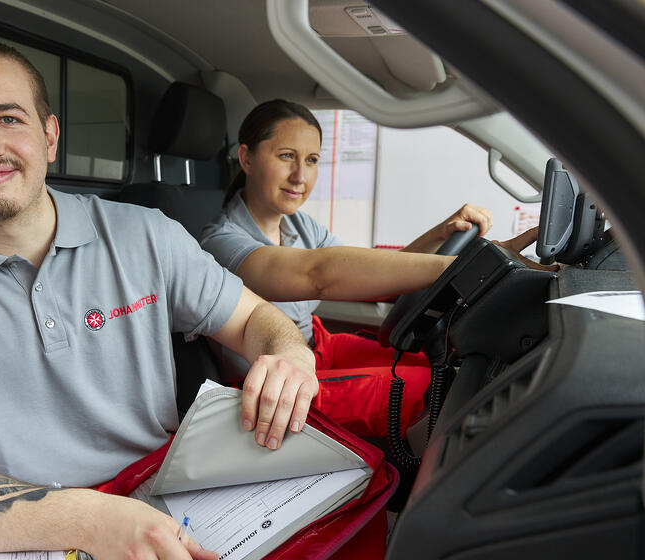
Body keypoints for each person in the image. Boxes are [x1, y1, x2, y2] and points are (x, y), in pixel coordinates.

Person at [0, 40, 320, 560]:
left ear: (50, 135)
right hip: (36, 532)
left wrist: (289, 352)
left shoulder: (146, 235)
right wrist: (88, 520)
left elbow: (256, 318)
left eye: (9, 118)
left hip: (174, 500)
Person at [199, 99, 543, 439]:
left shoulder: (298, 225)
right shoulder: (222, 243)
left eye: (312, 160)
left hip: (317, 346)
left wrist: (440, 233)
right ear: (246, 158)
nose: (300, 176)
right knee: (430, 389)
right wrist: (469, 267)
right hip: (274, 383)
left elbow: (365, 274)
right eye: (286, 156)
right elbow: (318, 274)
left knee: (431, 365)